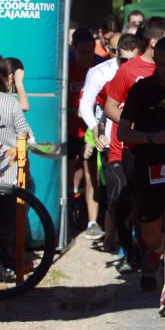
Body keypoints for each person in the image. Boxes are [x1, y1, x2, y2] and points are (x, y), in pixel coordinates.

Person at [117, 36, 165, 314]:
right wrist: (151, 137)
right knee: (151, 232)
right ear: (155, 63)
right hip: (146, 165)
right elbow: (123, 132)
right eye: (164, 66)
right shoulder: (141, 91)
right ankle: (153, 252)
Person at [104, 17, 165, 272]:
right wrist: (134, 127)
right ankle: (144, 253)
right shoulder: (129, 70)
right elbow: (110, 106)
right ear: (154, 41)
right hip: (136, 151)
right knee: (138, 207)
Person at [79, 33, 140, 246]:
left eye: (132, 60)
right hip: (108, 137)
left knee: (136, 194)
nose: (128, 65)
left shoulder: (145, 70)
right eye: (123, 60)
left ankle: (133, 243)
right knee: (116, 192)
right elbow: (85, 106)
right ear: (115, 54)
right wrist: (96, 130)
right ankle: (121, 243)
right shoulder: (100, 72)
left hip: (138, 140)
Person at [0, 54, 34, 280]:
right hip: (7, 176)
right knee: (7, 224)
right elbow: (27, 136)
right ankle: (5, 265)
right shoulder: (9, 102)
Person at [68, 29, 101, 237]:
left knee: (92, 177)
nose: (86, 57)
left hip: (91, 131)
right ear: (74, 50)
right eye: (82, 52)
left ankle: (92, 222)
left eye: (89, 52)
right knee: (71, 176)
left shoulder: (98, 69)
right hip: (71, 131)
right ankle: (70, 213)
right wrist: (73, 111)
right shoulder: (68, 70)